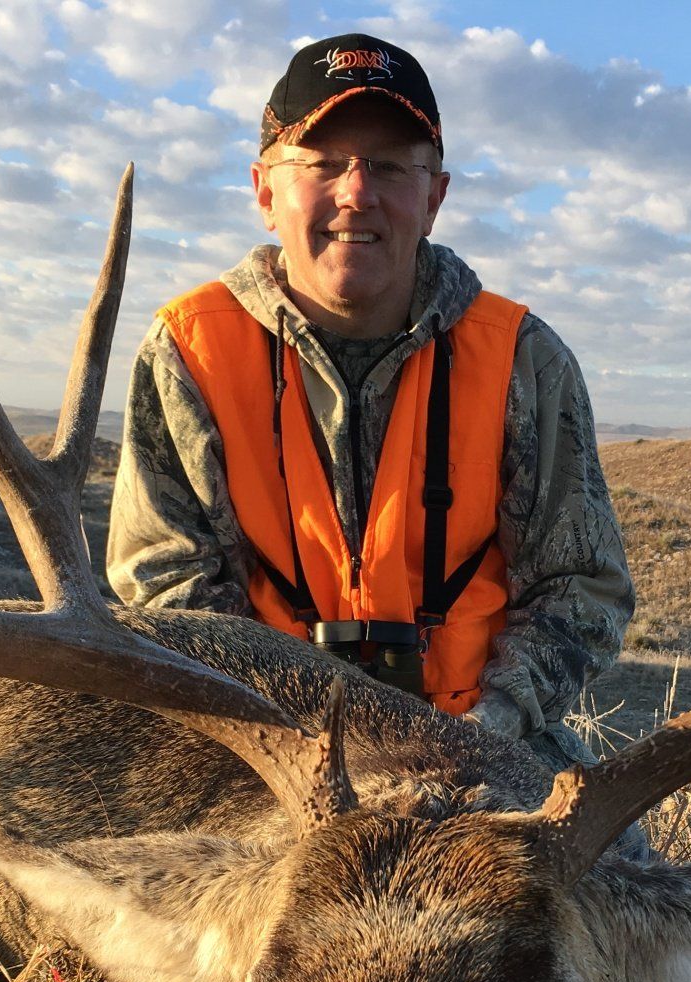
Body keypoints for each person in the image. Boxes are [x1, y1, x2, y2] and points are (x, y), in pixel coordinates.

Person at [107, 32, 633, 767]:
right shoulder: (189, 351)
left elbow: (579, 590)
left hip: (479, 748)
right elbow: (166, 589)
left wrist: (488, 727)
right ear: (265, 191)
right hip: (257, 749)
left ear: (434, 197)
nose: (357, 192)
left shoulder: (522, 357)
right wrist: (282, 740)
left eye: (388, 166)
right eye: (323, 165)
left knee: (620, 873)